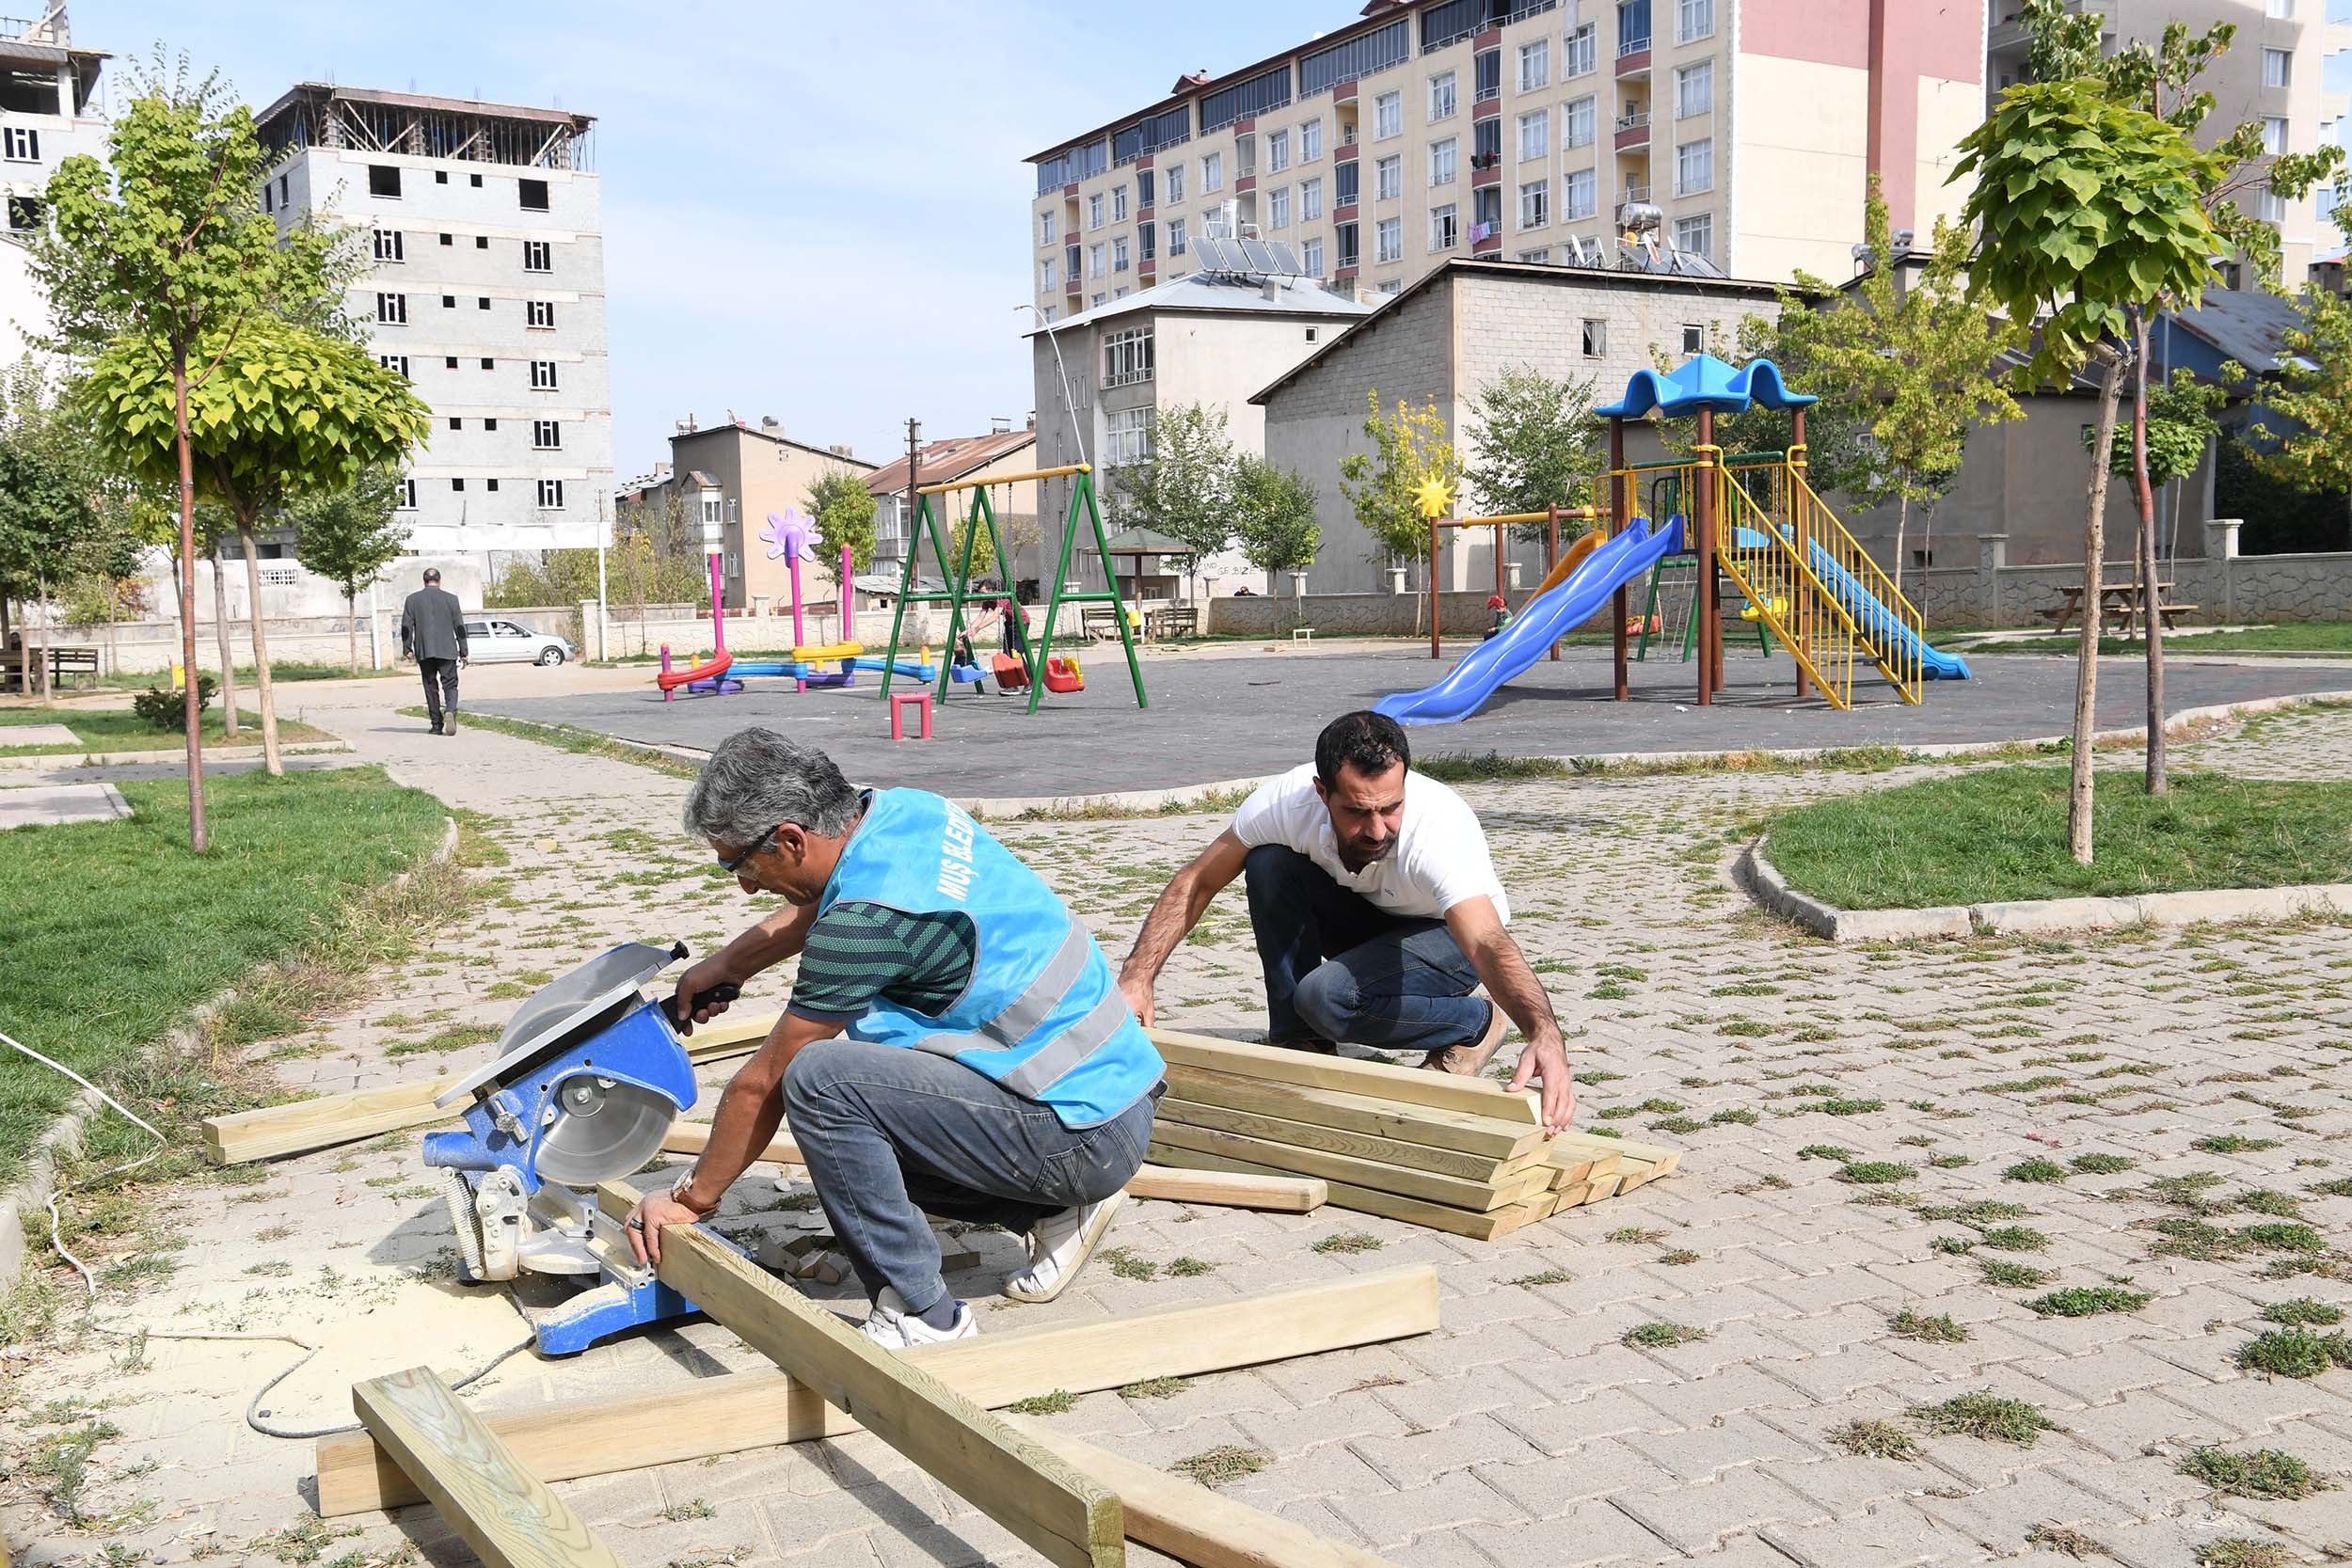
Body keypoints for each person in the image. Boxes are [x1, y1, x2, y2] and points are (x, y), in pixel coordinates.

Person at [624, 727, 1163, 1348]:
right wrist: (730, 964)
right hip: (1112, 1097)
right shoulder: (904, 812)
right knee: (862, 1139)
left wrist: (692, 1200)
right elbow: (831, 900)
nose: (745, 884)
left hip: (1082, 1136)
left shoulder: (863, 926)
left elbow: (763, 1082)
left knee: (823, 1083)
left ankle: (924, 1313)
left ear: (792, 838)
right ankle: (1049, 1211)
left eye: (739, 862)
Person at [1119, 710, 1576, 1134]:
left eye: (1390, 808)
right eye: (1357, 812)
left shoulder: (1439, 830)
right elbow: (1198, 881)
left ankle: (1474, 1023)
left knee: (1325, 997)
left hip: (1447, 939)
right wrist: (1137, 977)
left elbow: (1487, 941)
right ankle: (1302, 1043)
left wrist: (1544, 1034)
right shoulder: (1284, 803)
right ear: (1322, 793)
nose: (1377, 830)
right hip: (1374, 917)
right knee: (1268, 864)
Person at [398, 568, 469, 735]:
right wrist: (463, 650)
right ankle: (450, 710)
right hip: (447, 650)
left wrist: (407, 648)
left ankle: (436, 725)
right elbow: (459, 627)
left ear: (424, 581)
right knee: (450, 685)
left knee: (430, 687)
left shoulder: (412, 600)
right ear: (439, 580)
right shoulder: (451, 599)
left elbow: (406, 627)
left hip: (425, 651)